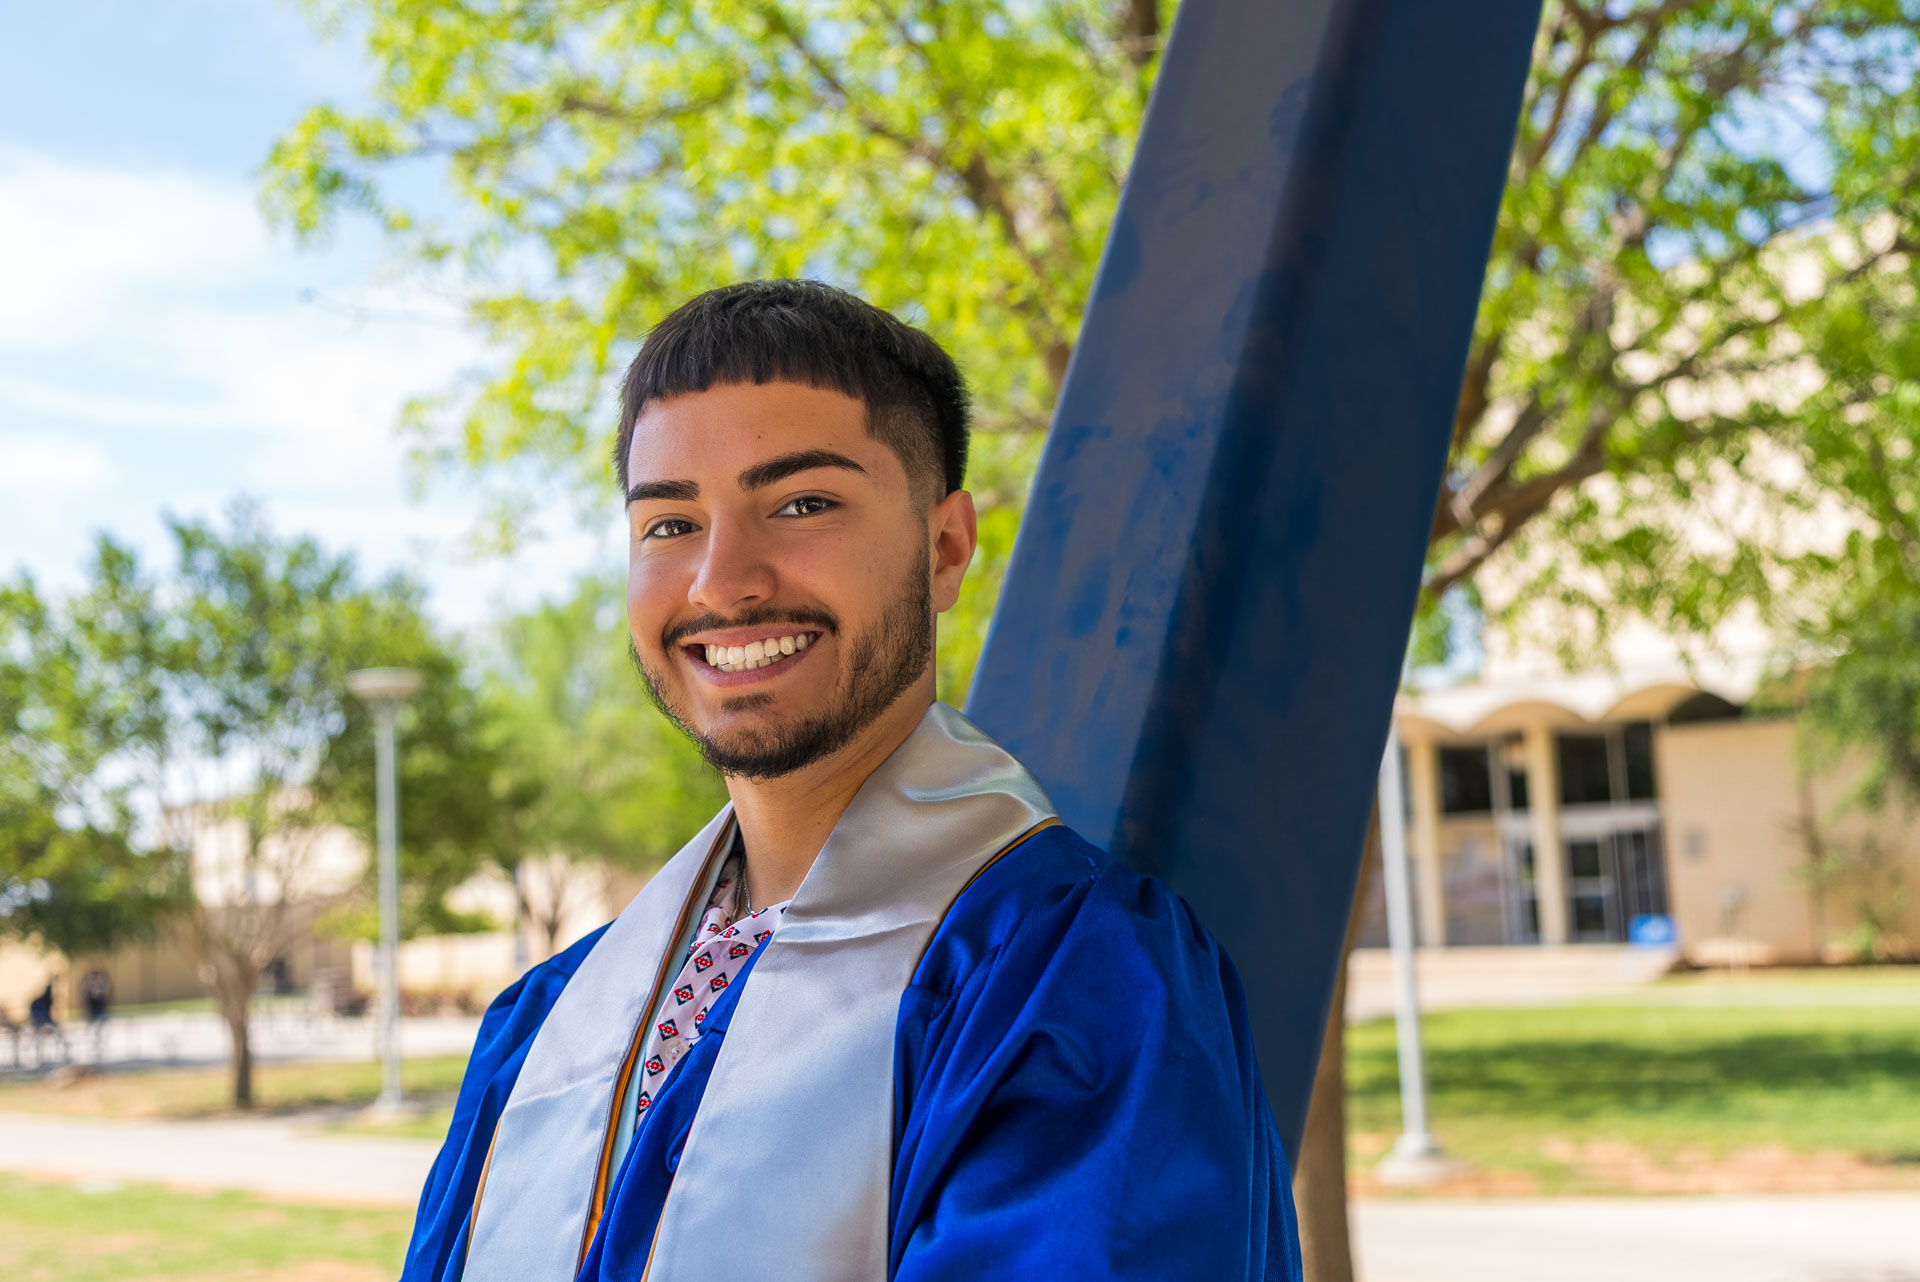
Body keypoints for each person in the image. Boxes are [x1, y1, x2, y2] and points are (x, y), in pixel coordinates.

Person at [404, 280, 1302, 1281]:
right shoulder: (548, 1027)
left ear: (946, 547)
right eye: (669, 523)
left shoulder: (1076, 982)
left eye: (802, 504)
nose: (721, 581)